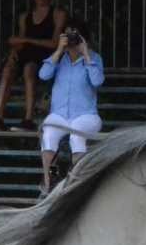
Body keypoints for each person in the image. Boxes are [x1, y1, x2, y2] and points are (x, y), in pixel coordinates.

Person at [0, 0, 66, 132]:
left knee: (29, 69)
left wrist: (27, 40)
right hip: (26, 52)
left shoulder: (57, 13)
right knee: (8, 69)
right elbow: (20, 41)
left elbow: (53, 43)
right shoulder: (25, 16)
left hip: (45, 55)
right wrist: (13, 52)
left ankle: (28, 119)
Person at [37, 20, 104, 194]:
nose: (71, 39)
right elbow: (43, 75)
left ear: (83, 38)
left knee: (76, 137)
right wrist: (59, 50)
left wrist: (86, 55)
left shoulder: (95, 58)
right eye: (68, 35)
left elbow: (97, 81)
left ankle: (76, 183)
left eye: (75, 35)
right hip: (59, 114)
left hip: (86, 115)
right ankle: (48, 180)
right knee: (49, 136)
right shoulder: (59, 59)